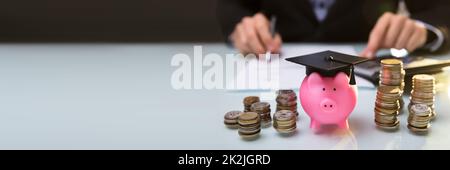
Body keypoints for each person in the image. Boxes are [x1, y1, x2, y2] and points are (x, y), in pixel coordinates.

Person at [216, 0, 450, 58]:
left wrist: (423, 29)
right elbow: (233, 4)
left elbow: (439, 8)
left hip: (367, 68)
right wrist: (241, 26)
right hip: (272, 64)